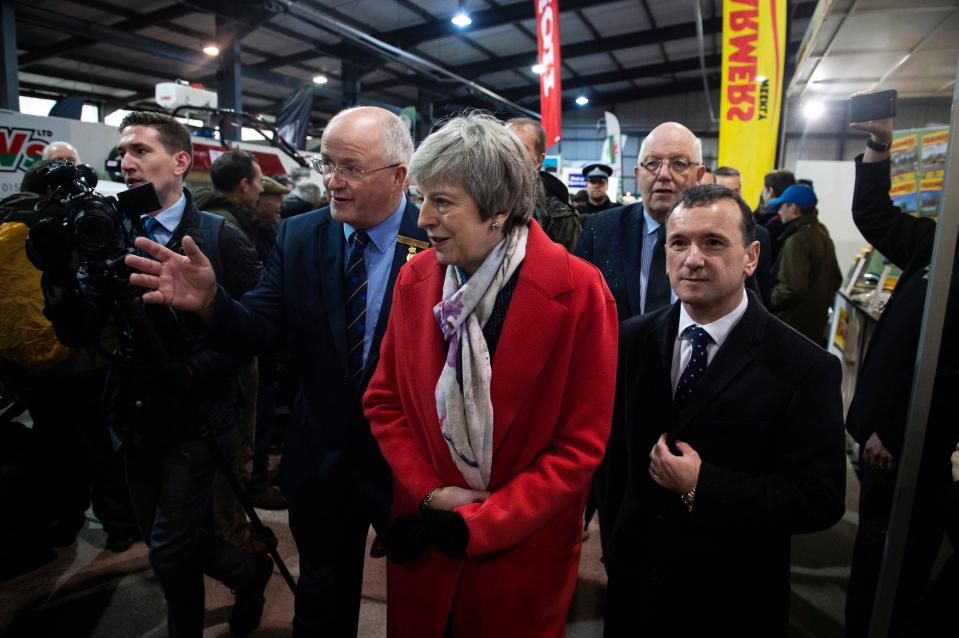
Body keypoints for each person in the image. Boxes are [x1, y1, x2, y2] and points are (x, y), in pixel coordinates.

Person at [123, 106, 427, 637]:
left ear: (399, 175)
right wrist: (214, 303)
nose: (331, 181)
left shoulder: (436, 236)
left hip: (410, 462)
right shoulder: (302, 235)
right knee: (321, 600)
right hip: (322, 455)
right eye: (326, 162)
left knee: (422, 597)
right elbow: (260, 328)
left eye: (351, 168)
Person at [363, 112, 618, 637]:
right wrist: (431, 493)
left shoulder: (580, 292)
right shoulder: (416, 278)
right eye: (421, 198)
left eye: (443, 202)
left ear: (498, 211)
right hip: (427, 539)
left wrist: (485, 521)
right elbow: (385, 402)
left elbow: (580, 445)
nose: (423, 218)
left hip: (520, 550)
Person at [31, 111, 271, 637]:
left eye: (141, 150)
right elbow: (77, 330)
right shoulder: (110, 234)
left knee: (166, 544)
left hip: (196, 416)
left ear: (181, 161)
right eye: (123, 153)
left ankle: (215, 601)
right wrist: (56, 275)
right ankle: (245, 570)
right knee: (168, 541)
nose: (127, 162)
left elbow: (256, 331)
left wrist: (192, 368)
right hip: (133, 415)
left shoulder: (219, 236)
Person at [602, 184, 847, 637]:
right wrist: (616, 545)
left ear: (751, 256)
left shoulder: (803, 366)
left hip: (730, 597)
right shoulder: (633, 339)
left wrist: (703, 486)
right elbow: (617, 458)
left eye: (713, 242)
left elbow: (820, 499)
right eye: (679, 243)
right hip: (635, 585)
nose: (692, 258)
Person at [844, 114, 959, 638]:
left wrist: (900, 431)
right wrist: (878, 144)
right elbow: (873, 213)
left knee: (893, 556)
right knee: (874, 548)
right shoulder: (938, 243)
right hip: (884, 436)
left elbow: (950, 365)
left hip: (912, 442)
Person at [576, 122, 705, 321]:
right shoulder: (600, 230)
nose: (663, 175)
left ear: (699, 175)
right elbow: (577, 307)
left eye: (678, 163)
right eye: (652, 163)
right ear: (637, 174)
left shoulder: (721, 238)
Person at [768, 184, 843, 345]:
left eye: (782, 206)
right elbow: (837, 279)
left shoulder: (797, 241)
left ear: (793, 208)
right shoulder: (822, 234)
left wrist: (765, 301)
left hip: (792, 327)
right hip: (814, 329)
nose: (779, 211)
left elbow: (792, 289)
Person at [506, 117, 582, 251]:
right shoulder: (481, 201)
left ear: (538, 161)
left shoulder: (561, 217)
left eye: (521, 149)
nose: (510, 155)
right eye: (505, 147)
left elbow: (573, 267)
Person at [713, 165, 774, 305]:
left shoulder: (760, 235)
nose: (732, 197)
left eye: (736, 191)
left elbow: (763, 290)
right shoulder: (694, 235)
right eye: (724, 192)